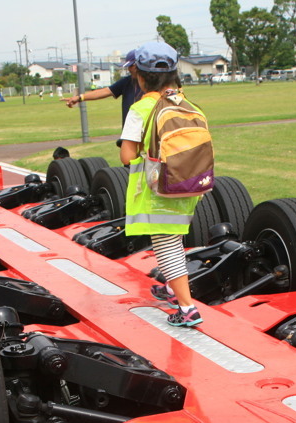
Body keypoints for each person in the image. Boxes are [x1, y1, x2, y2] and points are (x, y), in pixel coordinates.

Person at [119, 41, 204, 328]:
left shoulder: (141, 108)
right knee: (174, 239)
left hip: (157, 190)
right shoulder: (185, 103)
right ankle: (171, 288)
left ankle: (187, 308)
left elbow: (127, 155)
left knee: (165, 246)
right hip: (188, 184)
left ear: (140, 77)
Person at [63, 50, 142, 131]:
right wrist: (80, 97)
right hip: (129, 133)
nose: (129, 69)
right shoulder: (127, 81)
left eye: (131, 66)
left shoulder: (153, 84)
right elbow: (105, 91)